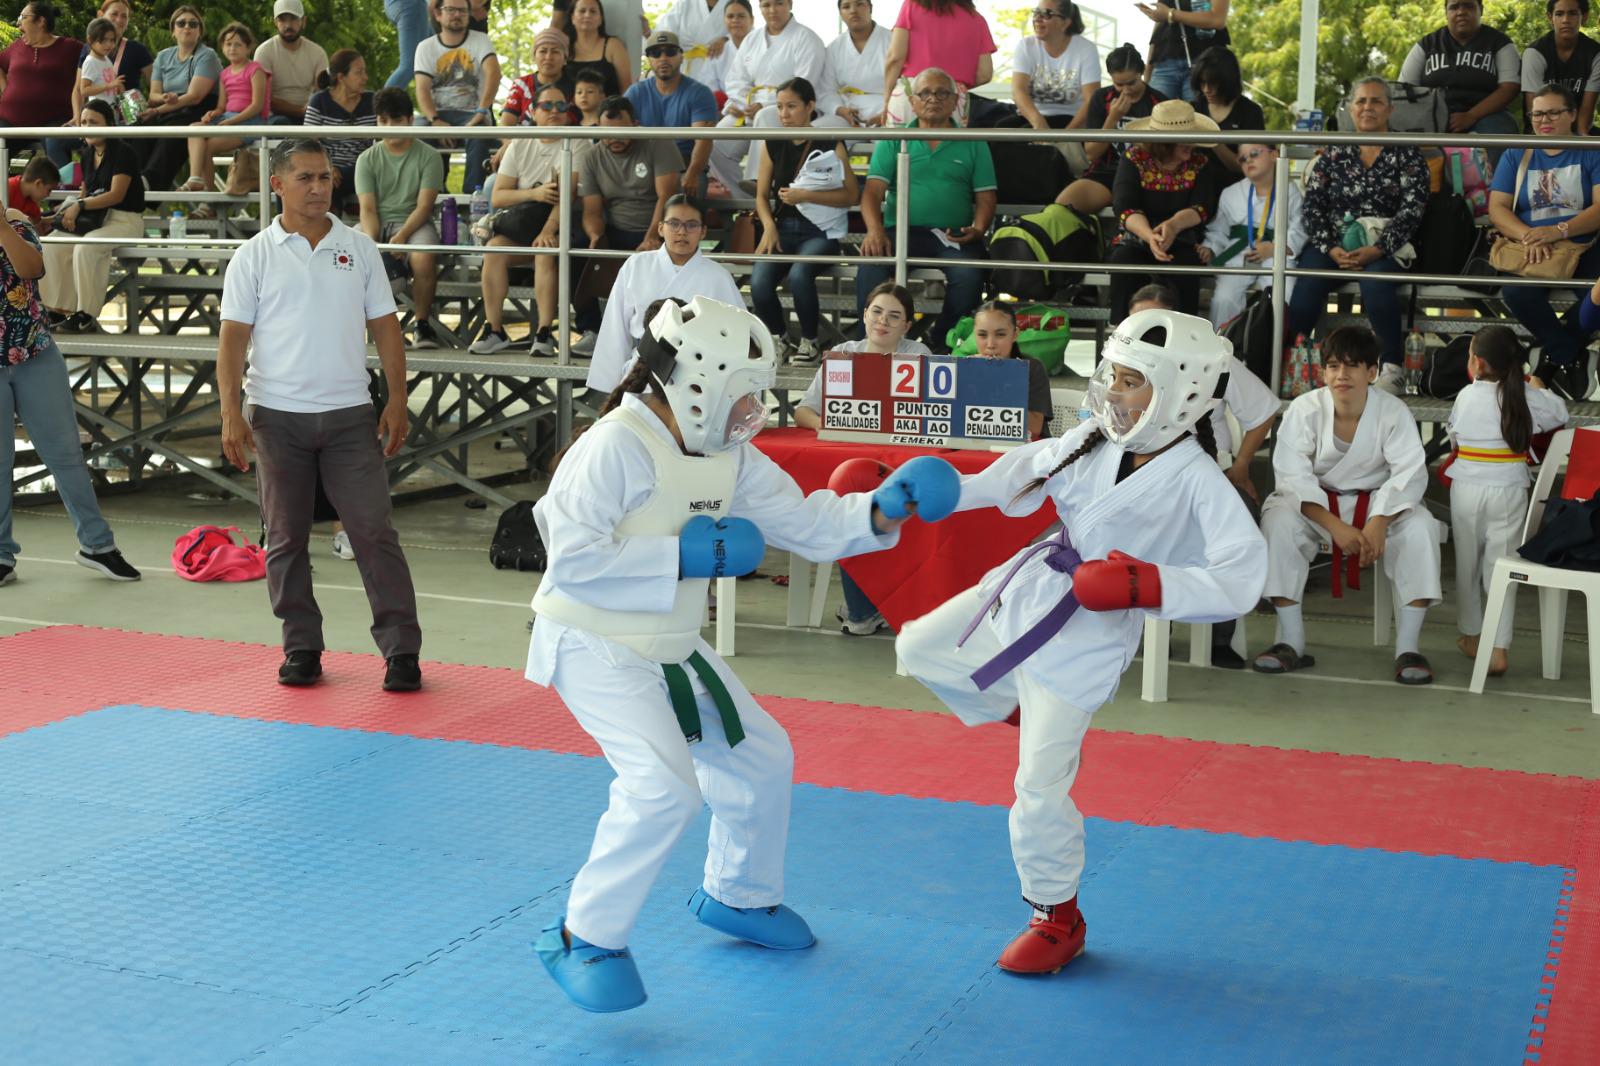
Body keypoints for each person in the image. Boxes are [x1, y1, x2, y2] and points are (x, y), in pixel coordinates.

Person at [529, 295, 950, 1013]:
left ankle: (739, 896)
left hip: (667, 642)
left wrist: (884, 507)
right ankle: (583, 936)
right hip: (592, 639)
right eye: (742, 392)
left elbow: (807, 523)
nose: (752, 407)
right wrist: (683, 556)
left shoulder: (730, 454)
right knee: (663, 789)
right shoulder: (615, 446)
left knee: (762, 755)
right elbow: (569, 557)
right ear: (694, 382)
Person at [895, 307, 1265, 975]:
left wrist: (1145, 583)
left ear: (1179, 394)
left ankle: (1056, 915)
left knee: (1036, 788)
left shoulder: (1195, 477)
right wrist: (944, 491)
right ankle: (1024, 714)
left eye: (1131, 382)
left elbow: (1243, 576)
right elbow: (1018, 472)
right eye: (1113, 378)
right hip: (1032, 582)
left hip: (1090, 631)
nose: (1115, 395)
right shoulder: (1094, 436)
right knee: (917, 647)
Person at [219, 139, 423, 692]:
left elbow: (386, 328)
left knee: (373, 533)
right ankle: (301, 647)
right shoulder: (253, 255)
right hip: (276, 417)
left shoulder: (359, 248)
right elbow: (232, 341)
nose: (317, 188)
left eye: (325, 178)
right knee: (284, 539)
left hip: (350, 414)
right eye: (305, 178)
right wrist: (230, 412)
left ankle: (402, 652)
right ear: (277, 185)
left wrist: (397, 399)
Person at [1252, 325, 1443, 685]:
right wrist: (1335, 526)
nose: (1342, 375)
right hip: (1318, 507)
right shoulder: (1305, 409)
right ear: (1323, 372)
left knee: (1421, 527)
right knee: (1277, 521)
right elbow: (1292, 478)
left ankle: (1408, 647)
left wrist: (1379, 522)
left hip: (1377, 505)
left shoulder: (1393, 411)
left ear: (1372, 373)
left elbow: (1409, 473)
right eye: (1334, 366)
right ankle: (1288, 640)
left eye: (1353, 366)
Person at [1127, 281, 1276, 668]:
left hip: (1214, 474)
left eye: (1154, 324)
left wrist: (1242, 466)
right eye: (1137, 322)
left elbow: (1263, 411)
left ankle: (1219, 636)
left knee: (1238, 528)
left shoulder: (1215, 361)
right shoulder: (1120, 365)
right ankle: (1137, 630)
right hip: (1143, 480)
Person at [0, 199, 142, 587]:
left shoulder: (14, 221)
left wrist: (0, 226)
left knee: (66, 455)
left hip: (35, 354)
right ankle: (1, 555)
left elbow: (32, 269)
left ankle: (97, 546)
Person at [1286, 77, 1429, 395]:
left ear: (1390, 109)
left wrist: (1377, 249)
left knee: (1376, 282)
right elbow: (1313, 207)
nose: (1368, 107)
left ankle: (1391, 367)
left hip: (1386, 245)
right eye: (1361, 101)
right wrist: (1331, 248)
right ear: (1350, 109)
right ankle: (1294, 361)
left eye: (1376, 101)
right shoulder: (1334, 152)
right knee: (1307, 279)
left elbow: (1412, 211)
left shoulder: (1407, 153)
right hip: (1334, 245)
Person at [1446, 325, 1569, 676]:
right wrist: (1538, 388)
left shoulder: (1466, 396)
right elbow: (1560, 415)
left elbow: (1454, 439)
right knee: (1502, 568)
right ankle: (1498, 648)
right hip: (1510, 488)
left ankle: (1472, 636)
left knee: (1468, 564)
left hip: (1467, 487)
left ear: (1478, 363)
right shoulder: (1526, 396)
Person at [856, 67, 994, 353]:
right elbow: (871, 193)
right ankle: (869, 344)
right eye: (926, 93)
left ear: (955, 100)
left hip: (952, 235)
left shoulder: (973, 140)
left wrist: (978, 229)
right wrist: (874, 231)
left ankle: (939, 343)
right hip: (901, 232)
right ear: (913, 101)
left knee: (969, 276)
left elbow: (986, 196)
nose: (934, 98)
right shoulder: (894, 138)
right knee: (870, 265)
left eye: (943, 92)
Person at [1486, 83, 1600, 401]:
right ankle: (1569, 354)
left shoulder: (1592, 150)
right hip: (1531, 245)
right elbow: (1497, 208)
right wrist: (1528, 235)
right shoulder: (1517, 153)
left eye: (1552, 112)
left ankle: (1550, 362)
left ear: (1573, 114)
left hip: (1582, 244)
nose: (1543, 120)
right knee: (1516, 293)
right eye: (1537, 114)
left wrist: (1558, 230)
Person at [470, 83, 585, 357]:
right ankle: (494, 329)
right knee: (494, 250)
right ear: (533, 111)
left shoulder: (577, 141)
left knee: (544, 250)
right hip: (523, 221)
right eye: (547, 106)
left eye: (561, 106)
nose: (554, 111)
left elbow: (566, 196)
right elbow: (498, 197)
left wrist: (548, 228)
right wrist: (535, 192)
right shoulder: (521, 141)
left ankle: (544, 332)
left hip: (564, 222)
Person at [585, 195, 744, 391]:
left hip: (700, 375)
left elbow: (739, 334)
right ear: (660, 228)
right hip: (644, 367)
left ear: (703, 232)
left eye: (691, 225)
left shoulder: (718, 276)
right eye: (674, 223)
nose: (682, 232)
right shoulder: (637, 265)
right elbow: (616, 326)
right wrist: (611, 385)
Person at [752, 77, 857, 365]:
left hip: (821, 232)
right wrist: (769, 228)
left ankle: (809, 341)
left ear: (810, 106)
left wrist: (806, 195)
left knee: (800, 275)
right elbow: (761, 195)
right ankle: (780, 338)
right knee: (759, 283)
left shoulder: (831, 142)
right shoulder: (772, 143)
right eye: (780, 107)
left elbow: (850, 195)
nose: (784, 114)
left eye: (792, 107)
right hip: (782, 229)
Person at [571, 97, 684, 354]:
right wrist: (595, 237)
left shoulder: (657, 143)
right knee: (576, 251)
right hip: (617, 228)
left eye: (622, 132)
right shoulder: (592, 156)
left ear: (635, 124)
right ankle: (591, 330)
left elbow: (666, 198)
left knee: (657, 255)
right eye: (607, 133)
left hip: (660, 226)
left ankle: (656, 337)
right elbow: (591, 210)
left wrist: (652, 238)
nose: (614, 139)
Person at [1106, 99, 1221, 322]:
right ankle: (1122, 333)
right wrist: (1150, 236)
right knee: (1124, 261)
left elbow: (1202, 207)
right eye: (1182, 139)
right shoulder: (1134, 159)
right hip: (1136, 238)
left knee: (1186, 266)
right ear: (1164, 142)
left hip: (1183, 239)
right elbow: (1124, 205)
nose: (1190, 143)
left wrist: (1173, 226)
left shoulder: (1201, 162)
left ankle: (1184, 334)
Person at [40, 99, 146, 335]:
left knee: (85, 248)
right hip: (96, 219)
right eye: (84, 122)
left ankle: (86, 313)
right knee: (52, 244)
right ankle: (57, 309)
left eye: (93, 122)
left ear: (108, 124)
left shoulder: (123, 152)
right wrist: (64, 212)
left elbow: (116, 195)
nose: (87, 126)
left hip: (124, 220)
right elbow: (85, 192)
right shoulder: (87, 154)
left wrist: (80, 205)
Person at [357, 88, 445, 351]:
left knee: (423, 255)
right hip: (377, 223)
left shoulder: (429, 156)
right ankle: (355, 326)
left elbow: (424, 206)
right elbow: (368, 209)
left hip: (415, 223)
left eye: (396, 120)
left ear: (409, 120)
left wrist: (403, 236)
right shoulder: (367, 159)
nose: (390, 126)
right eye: (383, 120)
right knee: (348, 253)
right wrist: (374, 246)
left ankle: (422, 323)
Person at [710, 0, 826, 190]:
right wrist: (743, 105)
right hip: (749, 108)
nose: (772, 10)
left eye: (778, 3)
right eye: (766, 5)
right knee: (718, 141)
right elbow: (736, 78)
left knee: (765, 116)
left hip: (789, 109)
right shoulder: (752, 39)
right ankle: (741, 197)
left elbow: (804, 85)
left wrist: (765, 105)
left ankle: (759, 180)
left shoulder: (807, 38)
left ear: (790, 4)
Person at [796, 280, 930, 432]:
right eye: (877, 311)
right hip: (848, 443)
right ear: (865, 315)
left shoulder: (918, 354)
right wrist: (820, 423)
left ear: (906, 326)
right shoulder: (843, 353)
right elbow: (802, 411)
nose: (883, 320)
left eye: (894, 316)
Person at [1197, 141, 1304, 327]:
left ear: (1274, 155)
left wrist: (1276, 248)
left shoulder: (1291, 191)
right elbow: (1219, 230)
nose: (1248, 161)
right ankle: (1221, 343)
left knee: (1282, 294)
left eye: (1254, 153)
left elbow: (1299, 229)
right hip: (1239, 254)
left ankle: (1273, 346)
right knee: (1224, 298)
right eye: (1242, 158)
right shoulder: (1230, 193)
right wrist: (1210, 247)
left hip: (1275, 255)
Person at [1055, 43, 1165, 217]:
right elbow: (1091, 153)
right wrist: (1112, 119)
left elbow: (1165, 155)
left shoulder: (1159, 102)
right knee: (1061, 208)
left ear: (1142, 72)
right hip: (1108, 171)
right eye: (1119, 84)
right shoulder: (1101, 98)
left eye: (1132, 83)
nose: (1126, 90)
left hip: (1148, 174)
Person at [1398, 0, 1520, 145]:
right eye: (1454, 7)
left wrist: (1471, 116)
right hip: (1433, 116)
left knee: (1502, 130)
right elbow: (1404, 89)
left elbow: (1510, 88)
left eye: (1468, 6)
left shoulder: (1500, 43)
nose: (1461, 12)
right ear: (1446, 13)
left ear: (1480, 9)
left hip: (1487, 116)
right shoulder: (1426, 45)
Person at [414, 0, 500, 192]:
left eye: (462, 10)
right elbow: (422, 88)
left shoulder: (481, 40)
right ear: (438, 14)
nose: (456, 14)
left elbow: (494, 73)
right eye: (450, 9)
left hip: (472, 113)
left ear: (469, 15)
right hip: (438, 114)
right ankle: (433, 194)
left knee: (479, 133)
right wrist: (435, 120)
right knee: (417, 132)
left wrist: (481, 111)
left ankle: (472, 199)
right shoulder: (425, 47)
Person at [137, 6, 221, 191]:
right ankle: (133, 177)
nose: (187, 27)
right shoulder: (163, 56)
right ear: (173, 31)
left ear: (200, 31)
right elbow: (153, 95)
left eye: (193, 24)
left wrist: (158, 109)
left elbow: (195, 97)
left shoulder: (207, 55)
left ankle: (150, 181)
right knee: (141, 128)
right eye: (181, 23)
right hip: (169, 107)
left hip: (198, 110)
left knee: (172, 130)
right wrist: (164, 97)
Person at [182, 22, 269, 199]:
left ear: (248, 47)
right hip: (228, 118)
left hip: (250, 122)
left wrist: (231, 122)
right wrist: (212, 114)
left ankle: (208, 196)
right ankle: (196, 178)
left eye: (238, 44)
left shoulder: (255, 70)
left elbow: (257, 105)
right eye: (228, 44)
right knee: (194, 127)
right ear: (222, 47)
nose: (232, 48)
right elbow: (222, 106)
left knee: (209, 145)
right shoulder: (225, 73)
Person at [626, 30, 719, 194]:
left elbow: (703, 141)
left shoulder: (700, 93)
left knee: (690, 199)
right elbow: (618, 130)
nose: (663, 58)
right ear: (648, 59)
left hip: (684, 166)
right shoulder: (635, 93)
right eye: (655, 53)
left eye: (670, 52)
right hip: (643, 166)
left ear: (681, 57)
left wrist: (692, 173)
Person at [881, 0, 995, 127]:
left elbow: (895, 57)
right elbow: (985, 74)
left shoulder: (912, 6)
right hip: (953, 98)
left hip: (912, 93)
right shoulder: (977, 19)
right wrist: (953, 87)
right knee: (948, 146)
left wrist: (886, 98)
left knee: (899, 145)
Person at [1010, 0, 1099, 132]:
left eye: (1047, 14)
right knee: (1000, 132)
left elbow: (1091, 98)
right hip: (1034, 118)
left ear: (1065, 23)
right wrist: (1039, 124)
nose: (1038, 19)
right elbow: (1018, 90)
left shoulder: (1086, 49)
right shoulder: (1026, 46)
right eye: (1036, 13)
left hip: (1071, 120)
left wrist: (1066, 136)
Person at [0, 4, 82, 147]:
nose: (18, 23)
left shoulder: (69, 47)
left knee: (55, 144)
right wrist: (5, 90)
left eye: (23, 17)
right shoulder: (17, 47)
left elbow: (94, 58)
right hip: (10, 121)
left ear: (40, 21)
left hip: (54, 121)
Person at [305, 49, 376, 215]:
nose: (365, 77)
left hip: (362, 168)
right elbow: (308, 144)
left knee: (327, 182)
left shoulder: (372, 101)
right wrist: (328, 167)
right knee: (320, 181)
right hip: (326, 169)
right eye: (359, 72)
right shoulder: (319, 101)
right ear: (341, 77)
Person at [970, 300, 1053, 440]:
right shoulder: (965, 368)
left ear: (1014, 334)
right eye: (982, 335)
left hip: (1027, 451)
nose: (990, 344)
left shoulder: (1032, 368)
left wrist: (995, 377)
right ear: (974, 334)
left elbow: (1033, 429)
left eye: (1000, 334)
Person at [1523, 0, 1600, 135]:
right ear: (1550, 17)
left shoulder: (1595, 54)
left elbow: (1587, 109)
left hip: (1577, 129)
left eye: (1572, 14)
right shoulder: (1535, 53)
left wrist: (1582, 141)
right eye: (1559, 14)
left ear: (1585, 16)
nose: (1565, 20)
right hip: (1541, 129)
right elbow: (1535, 110)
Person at [1136, 0, 1229, 103]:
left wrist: (1170, 14)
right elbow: (1159, 25)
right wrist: (1149, 68)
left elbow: (1218, 19)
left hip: (1203, 62)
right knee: (1156, 114)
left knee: (1199, 116)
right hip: (1164, 61)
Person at [1189, 45, 1261, 174]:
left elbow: (1250, 167)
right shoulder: (1193, 110)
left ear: (1228, 81)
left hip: (1237, 190)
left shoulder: (1250, 112)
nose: (1206, 89)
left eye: (1212, 83)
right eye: (1202, 82)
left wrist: (1214, 141)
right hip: (1197, 189)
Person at [818, 0, 890, 127]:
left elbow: (906, 86)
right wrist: (840, 110)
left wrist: (889, 112)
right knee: (817, 132)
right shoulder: (834, 48)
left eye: (860, 4)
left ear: (870, 8)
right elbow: (825, 91)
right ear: (840, 13)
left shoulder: (893, 40)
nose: (853, 11)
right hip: (848, 113)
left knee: (888, 141)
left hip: (886, 111)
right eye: (846, 7)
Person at [255, 0, 328, 125]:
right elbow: (263, 98)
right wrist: (299, 111)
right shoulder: (264, 51)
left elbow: (322, 91)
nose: (288, 25)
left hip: (310, 114)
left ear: (303, 21)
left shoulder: (317, 52)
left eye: (293, 18)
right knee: (281, 123)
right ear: (275, 23)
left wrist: (308, 110)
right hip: (275, 116)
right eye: (282, 20)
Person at [500, 27, 570, 126]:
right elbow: (506, 126)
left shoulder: (576, 88)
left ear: (565, 59)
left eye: (555, 52)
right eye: (543, 51)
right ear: (534, 57)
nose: (548, 57)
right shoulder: (521, 85)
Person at [656, 0, 731, 86]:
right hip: (685, 65)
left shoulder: (733, 3)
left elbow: (746, 31)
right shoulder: (685, 3)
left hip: (719, 66)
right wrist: (648, 34)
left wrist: (726, 39)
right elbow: (665, 33)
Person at [565, 0, 631, 98]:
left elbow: (627, 90)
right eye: (582, 11)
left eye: (593, 11)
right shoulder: (564, 47)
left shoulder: (613, 45)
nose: (587, 15)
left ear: (601, 19)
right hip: (569, 112)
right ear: (572, 18)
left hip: (609, 111)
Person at [697, 0, 753, 98]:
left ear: (752, 20)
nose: (735, 20)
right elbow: (708, 85)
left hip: (760, 106)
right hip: (726, 109)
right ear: (724, 20)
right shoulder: (717, 51)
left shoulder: (762, 45)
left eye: (741, 16)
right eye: (730, 16)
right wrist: (726, 104)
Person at [77, 18, 126, 109]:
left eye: (112, 40)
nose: (109, 44)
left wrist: (118, 86)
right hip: (98, 112)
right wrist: (109, 85)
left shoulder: (106, 59)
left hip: (111, 109)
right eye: (104, 40)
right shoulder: (90, 62)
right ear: (90, 39)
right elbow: (84, 90)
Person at [384, 0, 430, 88]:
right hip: (411, 6)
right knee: (410, 66)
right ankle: (385, 101)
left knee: (435, 57)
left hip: (396, 5)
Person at [7, 156, 57, 233]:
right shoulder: (7, 188)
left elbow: (36, 228)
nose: (48, 195)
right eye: (49, 190)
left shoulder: (33, 202)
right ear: (38, 183)